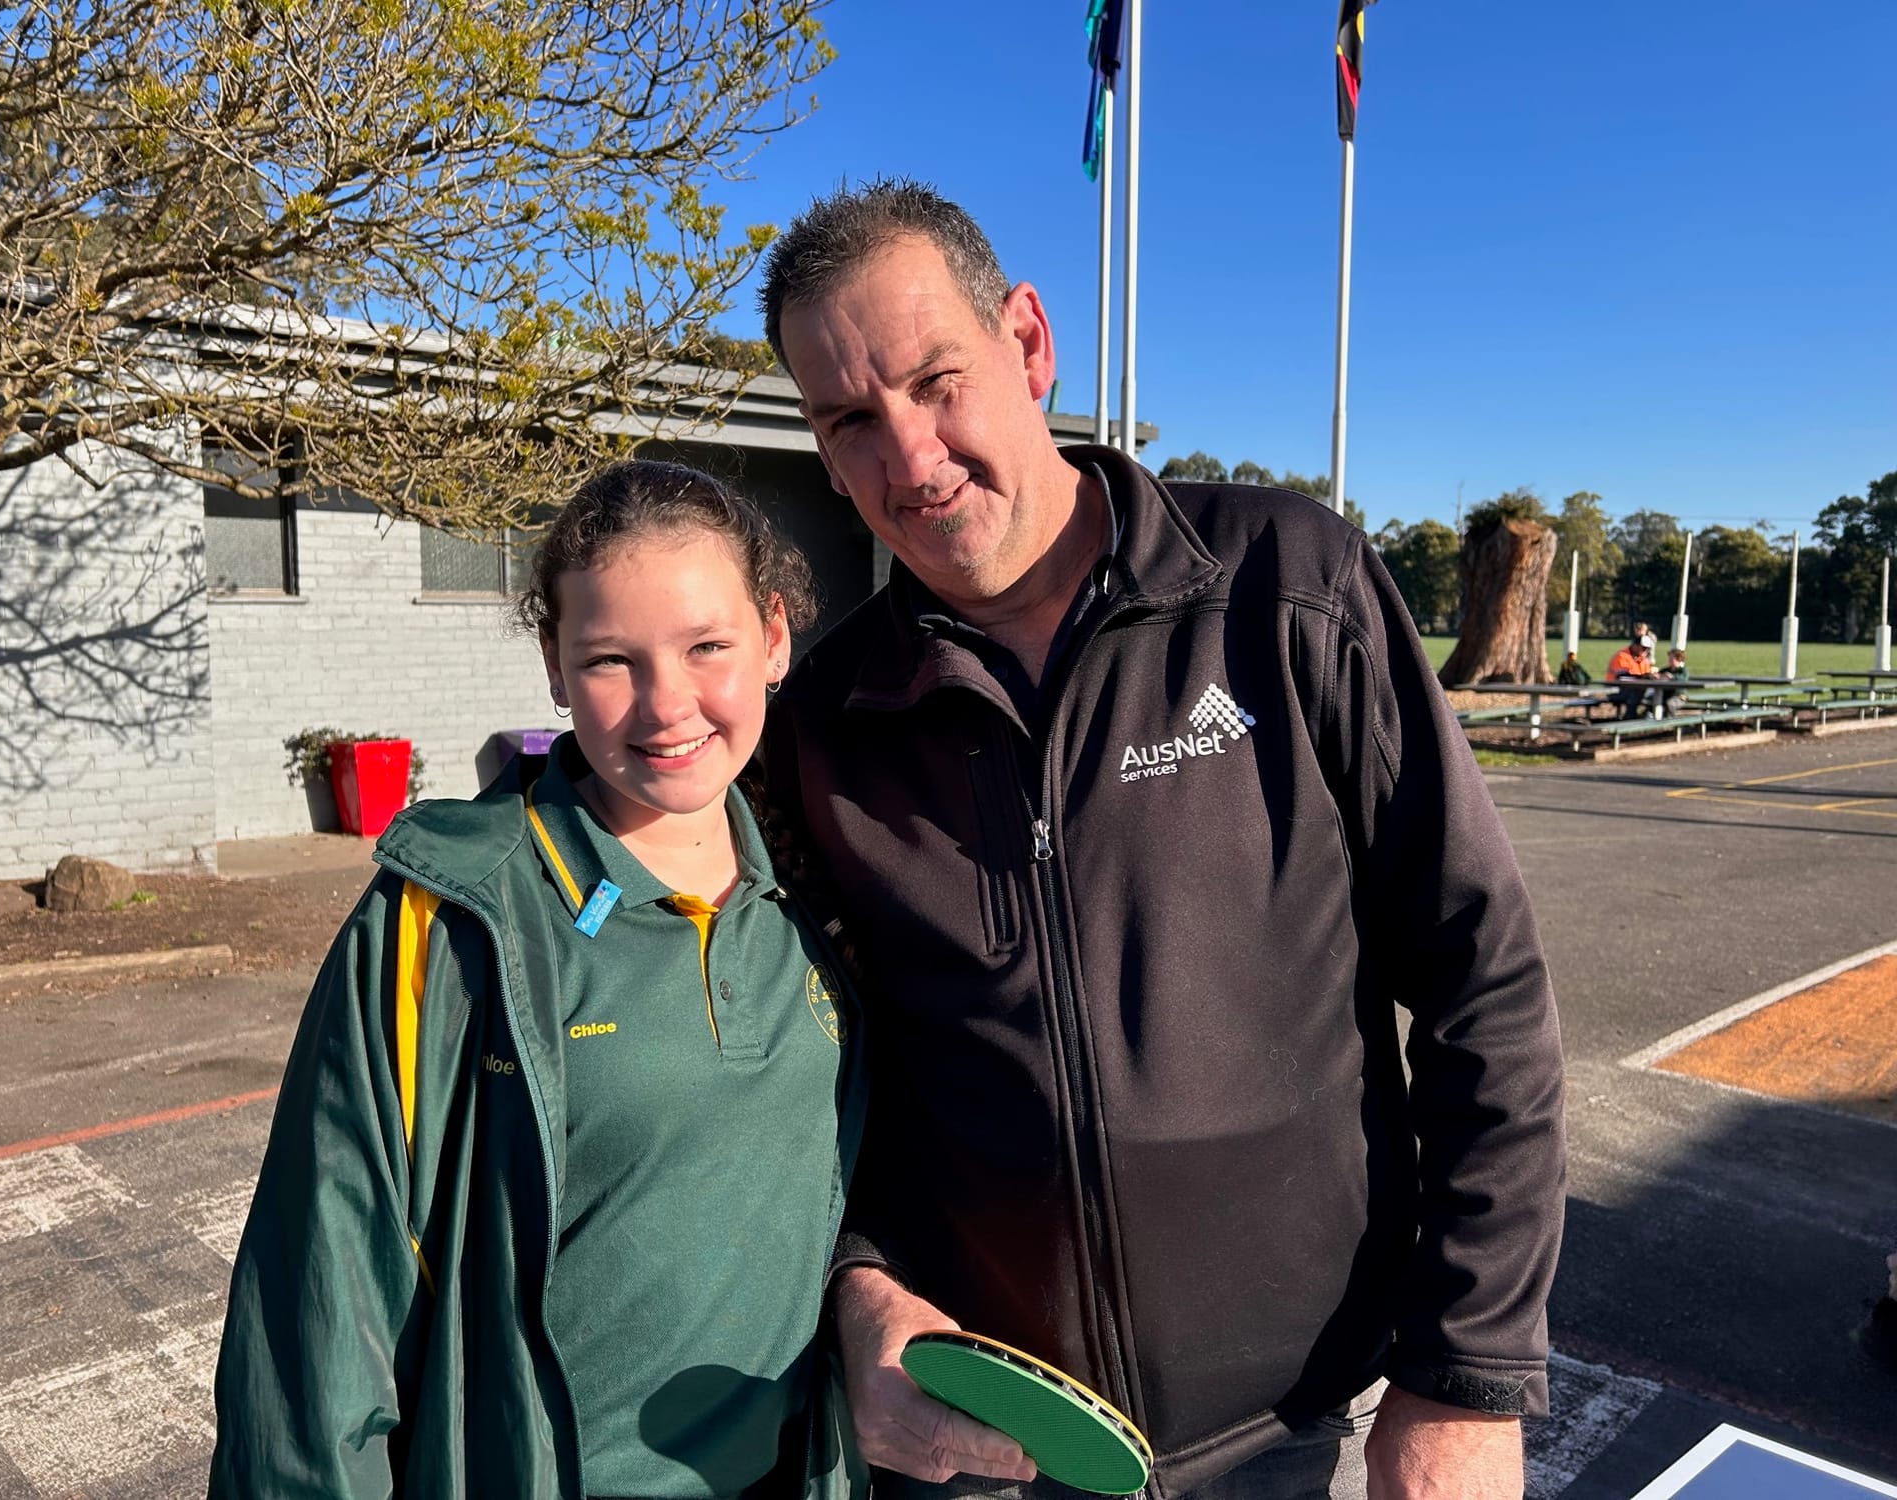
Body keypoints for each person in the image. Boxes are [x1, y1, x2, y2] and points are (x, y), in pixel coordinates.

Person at [758, 180, 1565, 1500]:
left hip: (1289, 1428)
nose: (908, 458)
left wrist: (1467, 1374)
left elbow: (1484, 984)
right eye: (850, 420)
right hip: (979, 1440)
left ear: (1028, 342)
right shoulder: (821, 726)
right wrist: (856, 1286)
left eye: (935, 382)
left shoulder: (1289, 593)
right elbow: (793, 1083)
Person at [210, 461, 867, 1499]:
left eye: (707, 646)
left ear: (774, 638)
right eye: (609, 660)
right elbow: (318, 1316)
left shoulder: (825, 895)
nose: (666, 705)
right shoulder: (446, 921)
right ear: (556, 670)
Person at [1606, 635, 1657, 718]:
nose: (1645, 650)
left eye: (1647, 648)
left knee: (1658, 693)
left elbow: (1645, 675)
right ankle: (1630, 717)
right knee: (1636, 694)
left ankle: (1649, 716)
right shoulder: (1622, 656)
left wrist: (1651, 676)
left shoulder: (1642, 659)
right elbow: (1622, 677)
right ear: (1635, 645)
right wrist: (1643, 677)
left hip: (1637, 689)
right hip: (1617, 689)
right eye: (1643, 648)